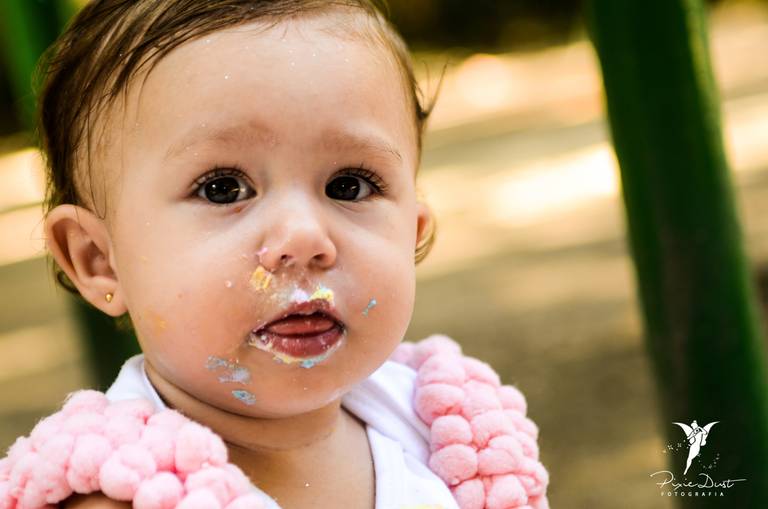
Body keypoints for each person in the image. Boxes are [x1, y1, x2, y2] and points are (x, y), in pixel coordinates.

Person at [0, 1, 549, 508]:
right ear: (100, 259)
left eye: (349, 186)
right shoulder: (119, 494)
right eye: (222, 188)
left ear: (412, 232)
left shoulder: (446, 431)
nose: (304, 237)